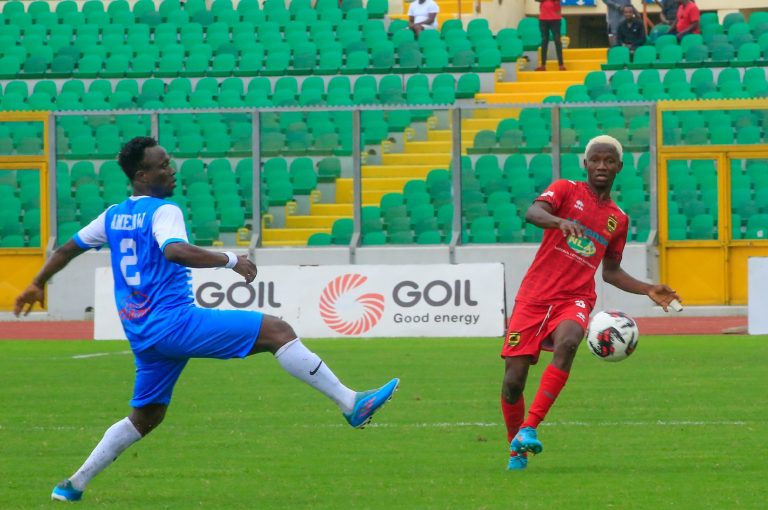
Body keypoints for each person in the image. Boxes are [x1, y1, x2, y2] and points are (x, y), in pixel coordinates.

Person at [14, 137, 400, 502]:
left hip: (142, 334)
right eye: (161, 165)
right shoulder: (163, 210)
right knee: (277, 331)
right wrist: (232, 260)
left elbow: (68, 247)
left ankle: (73, 484)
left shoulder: (114, 215)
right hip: (173, 323)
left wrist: (37, 283)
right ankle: (351, 404)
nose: (171, 169)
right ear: (141, 177)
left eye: (168, 162)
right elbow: (176, 252)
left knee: (146, 416)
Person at [499, 135, 682, 471]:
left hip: (575, 297)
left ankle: (529, 428)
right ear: (586, 164)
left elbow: (610, 272)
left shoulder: (618, 219)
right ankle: (517, 449)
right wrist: (559, 221)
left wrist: (648, 288)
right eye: (595, 160)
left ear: (619, 167)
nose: (601, 166)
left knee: (568, 342)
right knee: (513, 383)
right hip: (534, 296)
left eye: (608, 161)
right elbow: (532, 212)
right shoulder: (566, 190)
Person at [536, 0, 566, 71]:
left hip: (555, 18)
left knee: (557, 40)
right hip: (543, 18)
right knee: (544, 41)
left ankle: (561, 64)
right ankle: (543, 65)